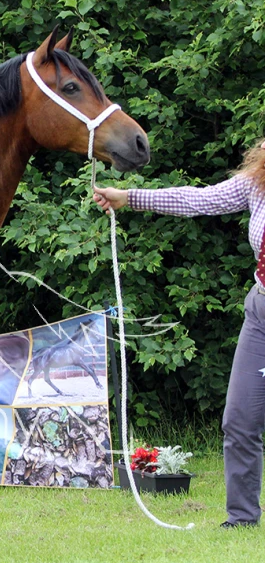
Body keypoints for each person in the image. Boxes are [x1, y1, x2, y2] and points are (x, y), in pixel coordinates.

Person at [93, 139, 265, 528]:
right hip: (261, 313)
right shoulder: (258, 183)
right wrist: (129, 198)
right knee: (239, 421)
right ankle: (241, 520)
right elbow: (198, 200)